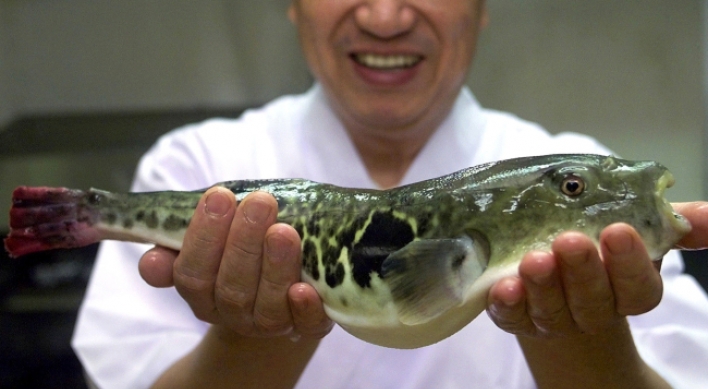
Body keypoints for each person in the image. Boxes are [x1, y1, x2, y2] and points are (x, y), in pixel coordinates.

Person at [72, 1, 708, 388]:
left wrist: (577, 328)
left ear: (482, 7)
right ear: (293, 4)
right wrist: (255, 329)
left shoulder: (582, 162)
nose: (385, 16)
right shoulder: (194, 164)